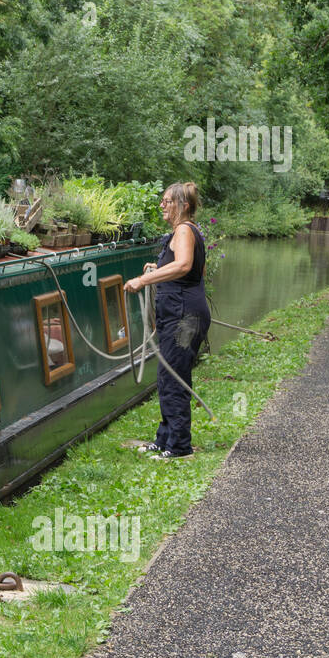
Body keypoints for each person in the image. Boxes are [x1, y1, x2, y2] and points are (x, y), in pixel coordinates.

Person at [123, 182, 210, 458]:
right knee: (167, 374)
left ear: (183, 206)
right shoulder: (190, 230)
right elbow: (197, 269)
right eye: (162, 200)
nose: (162, 205)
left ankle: (180, 446)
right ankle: (166, 438)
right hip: (184, 313)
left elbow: (184, 265)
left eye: (168, 201)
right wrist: (159, 268)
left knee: (174, 375)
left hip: (185, 317)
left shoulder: (184, 229)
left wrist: (144, 279)